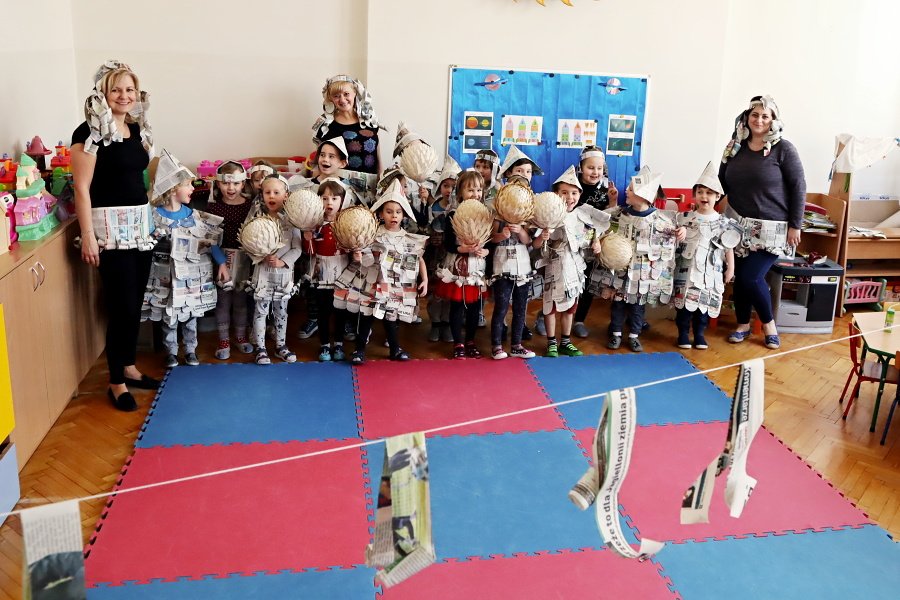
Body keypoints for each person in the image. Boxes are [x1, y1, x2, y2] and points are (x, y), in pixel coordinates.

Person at [72, 60, 158, 411]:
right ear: (103, 94)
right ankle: (116, 381)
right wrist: (88, 235)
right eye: (116, 90)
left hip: (138, 227)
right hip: (109, 230)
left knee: (135, 302)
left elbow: (138, 176)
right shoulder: (88, 132)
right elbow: (81, 187)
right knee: (120, 305)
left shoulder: (135, 129)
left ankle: (129, 366)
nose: (124, 96)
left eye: (129, 89)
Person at [719, 95, 806, 350]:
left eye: (765, 116)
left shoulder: (784, 149)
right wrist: (707, 204)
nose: (759, 120)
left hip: (772, 228)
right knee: (741, 277)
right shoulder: (734, 146)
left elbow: (799, 187)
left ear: (773, 121)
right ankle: (742, 325)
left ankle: (769, 325)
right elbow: (722, 181)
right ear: (747, 117)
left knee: (750, 276)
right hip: (736, 223)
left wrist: (796, 225)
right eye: (754, 115)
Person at [142, 150, 227, 367]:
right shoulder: (154, 216)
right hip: (164, 278)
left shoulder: (194, 216)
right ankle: (171, 351)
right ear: (173, 189)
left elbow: (211, 242)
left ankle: (190, 350)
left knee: (190, 314)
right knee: (169, 315)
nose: (192, 189)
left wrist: (222, 264)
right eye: (188, 185)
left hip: (191, 279)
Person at [333, 180, 428, 364]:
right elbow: (363, 256)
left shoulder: (407, 238)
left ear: (404, 214)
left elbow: (418, 259)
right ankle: (359, 350)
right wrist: (358, 257)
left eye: (398, 212)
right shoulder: (373, 234)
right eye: (389, 211)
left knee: (390, 318)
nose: (394, 215)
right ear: (381, 213)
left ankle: (395, 349)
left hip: (393, 285)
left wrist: (424, 279)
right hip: (371, 283)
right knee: (366, 316)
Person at [590, 166, 682, 353]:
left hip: (642, 274)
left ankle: (634, 335)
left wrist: (683, 231)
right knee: (618, 303)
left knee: (637, 306)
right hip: (620, 271)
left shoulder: (661, 220)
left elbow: (676, 232)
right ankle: (615, 333)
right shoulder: (619, 214)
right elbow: (600, 224)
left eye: (631, 189)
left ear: (644, 195)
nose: (626, 190)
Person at [534, 166, 608, 358]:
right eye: (564, 192)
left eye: (574, 193)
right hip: (554, 267)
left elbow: (592, 234)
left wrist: (596, 242)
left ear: (579, 194)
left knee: (570, 306)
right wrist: (543, 236)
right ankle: (551, 342)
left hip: (575, 268)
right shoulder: (548, 215)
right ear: (556, 195)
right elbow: (535, 244)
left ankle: (565, 341)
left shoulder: (582, 214)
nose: (569, 197)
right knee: (550, 306)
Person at [673, 162, 737, 349]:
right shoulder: (684, 218)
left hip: (710, 272)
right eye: (700, 192)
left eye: (709, 193)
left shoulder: (723, 222)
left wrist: (730, 268)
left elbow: (728, 247)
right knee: (684, 303)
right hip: (687, 269)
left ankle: (699, 334)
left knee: (704, 304)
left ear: (717, 196)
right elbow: (672, 242)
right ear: (694, 195)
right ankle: (683, 334)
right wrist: (679, 233)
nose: (704, 196)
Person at [248, 175, 302, 364]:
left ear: (285, 195)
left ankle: (280, 345)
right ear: (262, 195)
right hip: (262, 274)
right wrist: (260, 256)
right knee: (260, 311)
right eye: (267, 192)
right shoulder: (257, 220)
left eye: (276, 192)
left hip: (283, 276)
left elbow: (297, 249)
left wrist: (283, 262)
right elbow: (248, 245)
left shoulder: (292, 222)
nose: (271, 196)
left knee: (281, 312)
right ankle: (260, 348)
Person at [435, 171, 489, 359]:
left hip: (477, 269)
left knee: (475, 307)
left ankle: (471, 341)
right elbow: (448, 243)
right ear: (460, 193)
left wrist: (486, 251)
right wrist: (463, 249)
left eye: (479, 190)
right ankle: (458, 342)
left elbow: (489, 242)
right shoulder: (453, 214)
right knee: (457, 306)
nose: (475, 194)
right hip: (458, 268)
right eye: (470, 190)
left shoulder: (485, 214)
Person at [205, 160, 254, 359]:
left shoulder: (250, 206)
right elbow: (211, 239)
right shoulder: (213, 207)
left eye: (236, 183)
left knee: (241, 301)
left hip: (245, 259)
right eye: (225, 183)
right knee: (223, 302)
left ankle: (241, 337)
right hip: (220, 259)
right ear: (218, 183)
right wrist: (221, 263)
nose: (230, 188)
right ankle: (223, 340)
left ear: (243, 184)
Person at [571, 146, 619, 338]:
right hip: (573, 243)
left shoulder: (605, 189)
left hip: (594, 244)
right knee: (566, 281)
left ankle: (579, 320)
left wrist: (613, 202)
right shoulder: (572, 186)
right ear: (581, 167)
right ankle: (544, 315)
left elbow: (608, 218)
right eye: (590, 168)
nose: (595, 172)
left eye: (599, 168)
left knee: (589, 283)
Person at [488, 179, 536, 360]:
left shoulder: (527, 218)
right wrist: (502, 235)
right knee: (501, 306)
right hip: (502, 266)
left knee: (520, 307)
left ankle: (517, 345)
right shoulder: (498, 218)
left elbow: (528, 241)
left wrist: (520, 230)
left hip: (522, 267)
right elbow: (491, 239)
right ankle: (496, 345)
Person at [304, 178, 351, 361]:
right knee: (323, 311)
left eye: (334, 198)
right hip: (321, 271)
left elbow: (352, 246)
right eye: (324, 198)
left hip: (342, 271)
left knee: (340, 310)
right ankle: (324, 345)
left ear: (342, 201)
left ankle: (338, 343)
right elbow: (309, 252)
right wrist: (308, 238)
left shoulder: (345, 223)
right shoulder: (315, 225)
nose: (329, 202)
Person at [312, 75, 382, 174]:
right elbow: (321, 160)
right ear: (331, 98)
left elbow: (377, 149)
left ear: (355, 93)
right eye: (336, 96)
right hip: (340, 182)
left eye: (346, 94)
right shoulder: (326, 125)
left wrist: (381, 174)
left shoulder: (368, 119)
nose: (342, 99)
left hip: (372, 180)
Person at [424, 156, 461, 342]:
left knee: (449, 291)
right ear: (439, 187)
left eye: (454, 186)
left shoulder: (460, 209)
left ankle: (446, 323)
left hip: (451, 256)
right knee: (435, 292)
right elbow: (425, 228)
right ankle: (435, 322)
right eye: (446, 185)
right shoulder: (432, 207)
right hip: (435, 256)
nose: (449, 190)